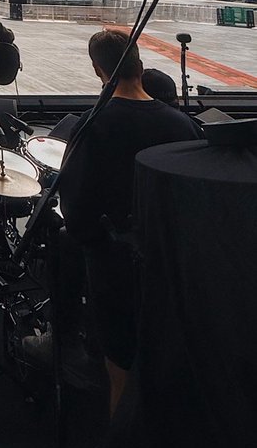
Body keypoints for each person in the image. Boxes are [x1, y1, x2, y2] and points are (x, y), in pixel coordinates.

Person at [59, 30, 200, 416]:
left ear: (97, 70)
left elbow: (77, 216)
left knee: (120, 372)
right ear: (140, 64)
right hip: (174, 272)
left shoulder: (92, 126)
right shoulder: (182, 126)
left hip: (116, 272)